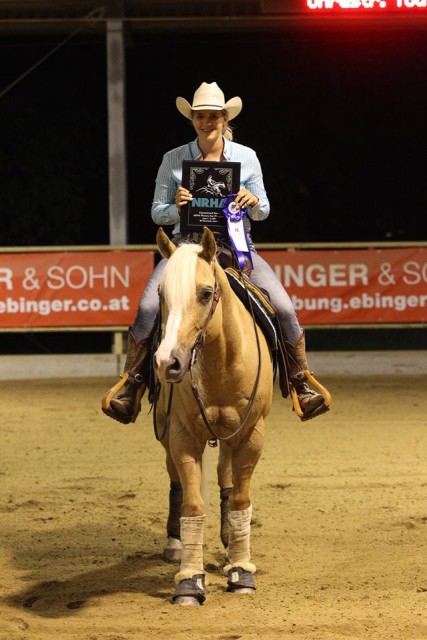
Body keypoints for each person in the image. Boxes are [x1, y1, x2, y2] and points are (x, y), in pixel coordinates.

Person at [102, 82, 328, 424]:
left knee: (282, 305)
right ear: (192, 119)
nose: (206, 121)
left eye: (212, 116)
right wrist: (175, 208)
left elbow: (264, 209)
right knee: (149, 305)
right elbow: (156, 212)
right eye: (200, 116)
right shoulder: (173, 159)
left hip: (237, 247)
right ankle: (132, 384)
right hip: (185, 248)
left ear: (224, 119)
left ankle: (300, 381)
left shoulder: (247, 157)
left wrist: (252, 202)